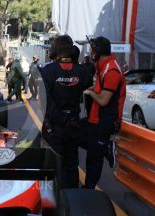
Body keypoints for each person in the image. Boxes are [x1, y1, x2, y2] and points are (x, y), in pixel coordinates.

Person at [41, 35, 91, 189]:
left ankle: (58, 198)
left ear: (54, 50)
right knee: (72, 162)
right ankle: (73, 195)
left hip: (54, 125)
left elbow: (44, 101)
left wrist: (61, 118)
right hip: (74, 123)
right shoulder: (82, 71)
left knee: (56, 162)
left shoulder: (47, 70)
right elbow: (89, 92)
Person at [82, 36, 126, 189]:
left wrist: (89, 92)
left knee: (94, 158)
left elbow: (103, 100)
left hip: (103, 121)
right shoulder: (101, 66)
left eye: (93, 50)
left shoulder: (112, 70)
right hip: (94, 118)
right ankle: (104, 147)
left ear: (98, 52)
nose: (91, 52)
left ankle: (89, 188)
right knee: (73, 133)